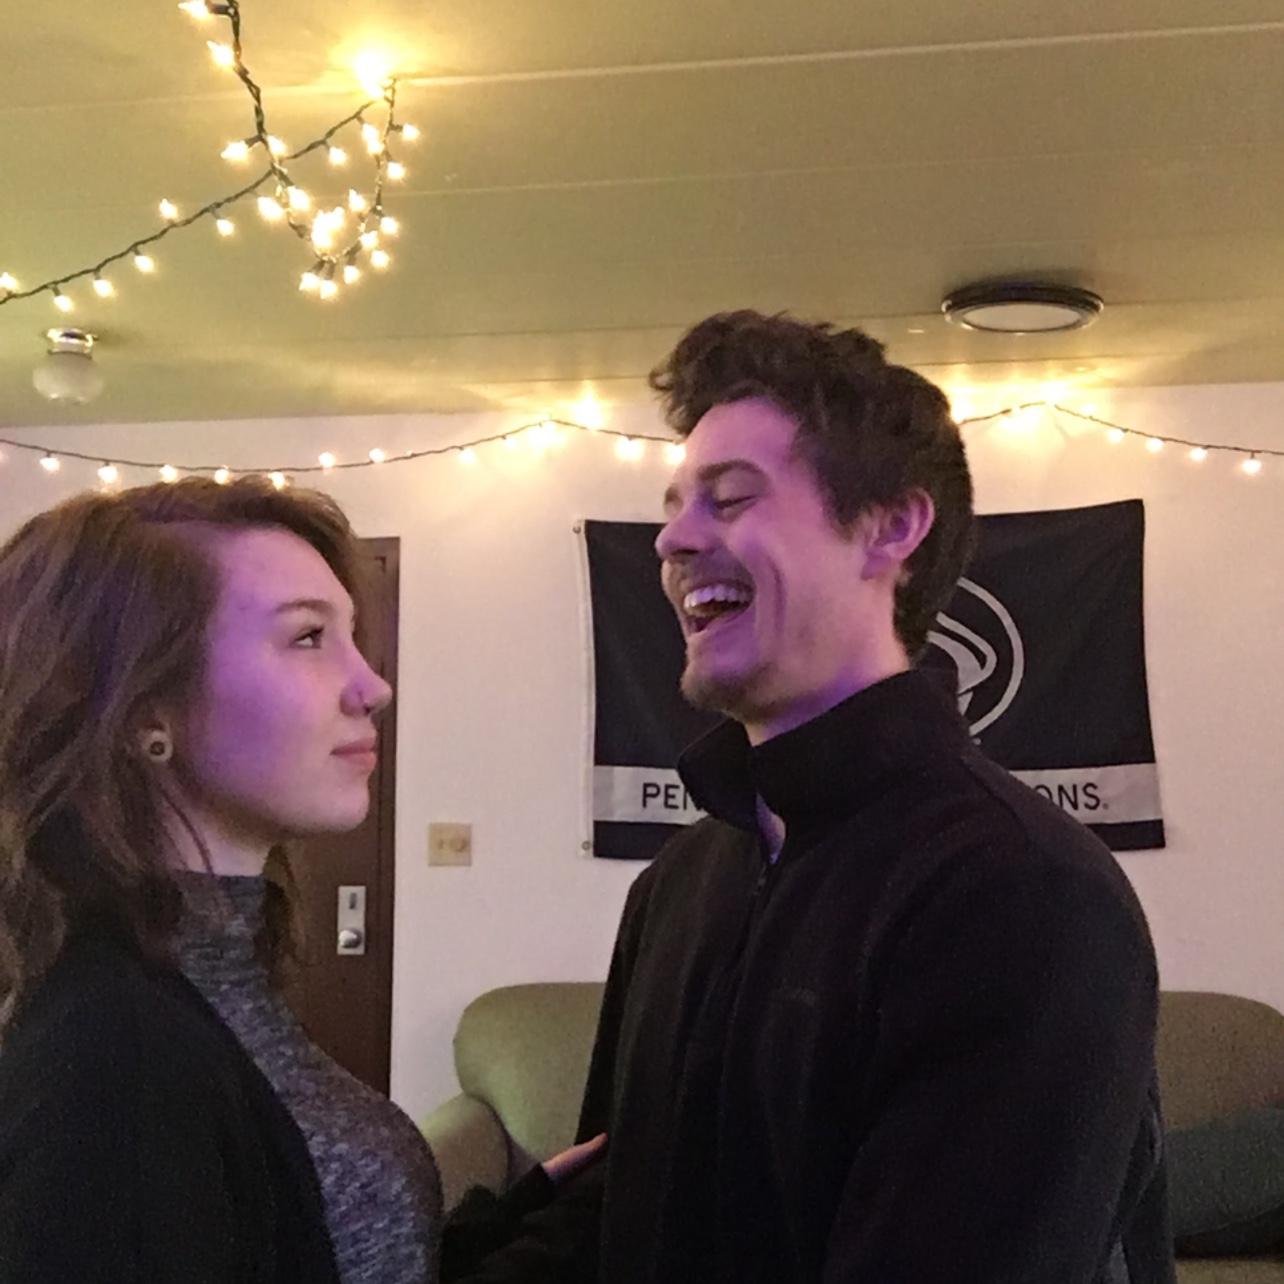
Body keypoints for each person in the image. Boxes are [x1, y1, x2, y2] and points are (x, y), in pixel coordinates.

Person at [454, 310, 1174, 1283]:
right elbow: (621, 1220)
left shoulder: (1025, 894)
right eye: (676, 506)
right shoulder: (678, 881)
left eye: (730, 498)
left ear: (890, 527)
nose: (673, 538)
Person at [0, 477, 599, 1284]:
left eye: (350, 636)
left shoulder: (210, 979)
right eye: (309, 637)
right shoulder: (110, 1057)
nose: (374, 688)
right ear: (145, 708)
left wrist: (512, 1224)